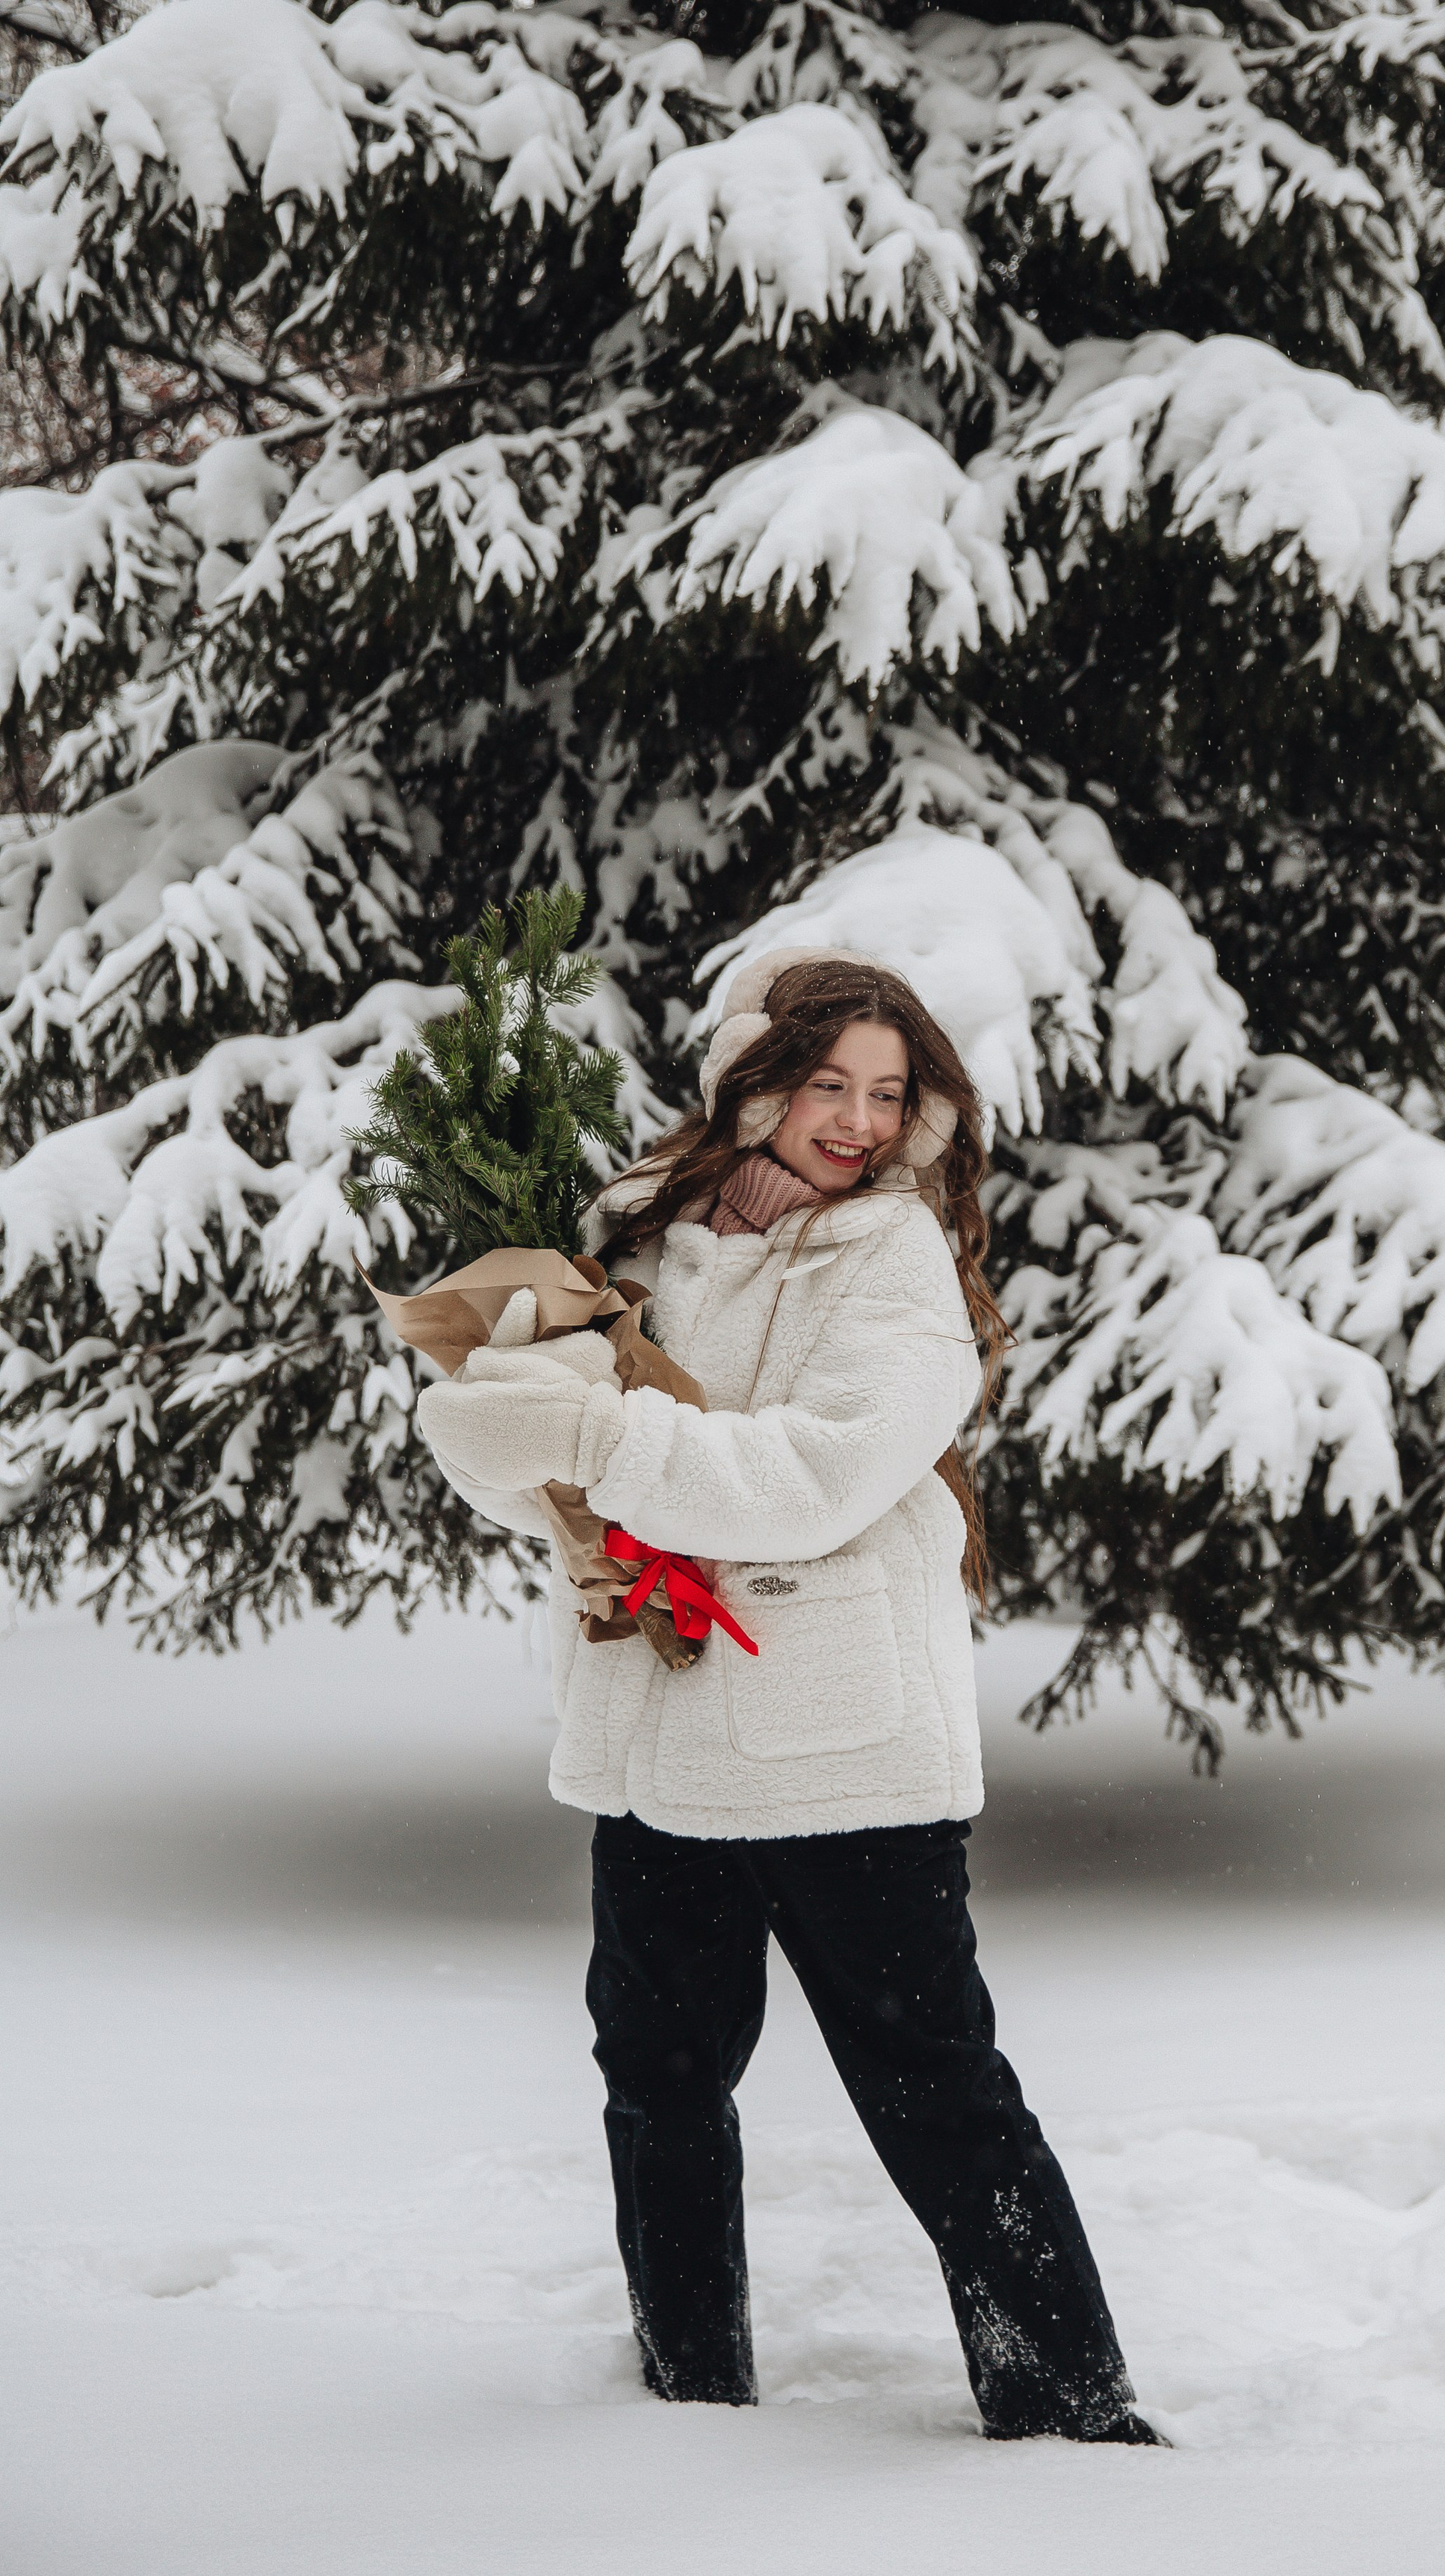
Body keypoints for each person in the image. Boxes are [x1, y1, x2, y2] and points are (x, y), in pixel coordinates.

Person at [416, 948, 1162, 2444]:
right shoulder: (642, 1238)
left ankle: (1073, 2414)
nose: (859, 1122)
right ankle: (690, 2400)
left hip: (836, 1750)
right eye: (830, 1083)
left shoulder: (888, 1265)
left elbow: (816, 1480)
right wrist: (498, 1432)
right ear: (754, 1079)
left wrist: (602, 1437)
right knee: (659, 2086)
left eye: (888, 1094)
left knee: (935, 2095)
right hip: (656, 1736)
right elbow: (544, 1457)